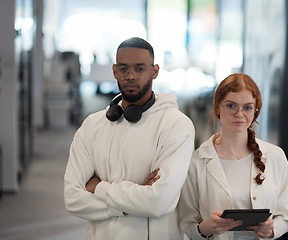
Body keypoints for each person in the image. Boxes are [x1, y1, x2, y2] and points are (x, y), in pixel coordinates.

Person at [64, 37, 195, 240]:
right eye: (123, 69)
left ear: (155, 71)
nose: (130, 76)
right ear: (115, 71)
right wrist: (136, 198)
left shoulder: (176, 125)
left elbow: (158, 202)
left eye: (140, 69)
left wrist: (99, 188)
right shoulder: (92, 125)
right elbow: (72, 198)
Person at [179, 73, 288, 240]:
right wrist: (206, 227)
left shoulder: (276, 156)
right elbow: (187, 224)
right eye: (231, 106)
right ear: (217, 107)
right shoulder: (196, 161)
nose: (239, 114)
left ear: (256, 111)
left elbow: (285, 215)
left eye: (247, 107)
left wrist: (271, 230)